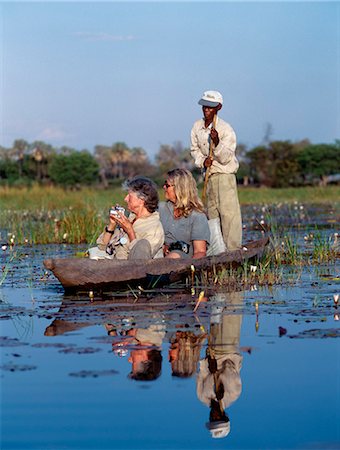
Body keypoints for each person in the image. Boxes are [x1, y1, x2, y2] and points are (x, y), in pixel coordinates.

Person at [190, 90, 242, 251]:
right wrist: (202, 161)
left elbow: (226, 158)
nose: (206, 109)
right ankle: (217, 250)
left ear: (218, 107)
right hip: (209, 175)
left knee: (228, 214)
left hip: (225, 175)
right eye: (205, 106)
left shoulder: (225, 129)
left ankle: (233, 250)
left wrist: (217, 142)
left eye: (211, 107)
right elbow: (194, 150)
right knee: (212, 214)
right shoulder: (197, 126)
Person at [196, 291, 244, 439]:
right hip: (228, 349)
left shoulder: (202, 396)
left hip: (211, 350)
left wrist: (208, 362)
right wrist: (216, 374)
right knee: (231, 312)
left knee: (216, 309)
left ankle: (220, 286)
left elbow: (202, 372)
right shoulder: (233, 394)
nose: (214, 416)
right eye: (218, 419)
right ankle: (236, 287)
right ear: (225, 416)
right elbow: (229, 367)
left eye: (213, 419)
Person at [88, 176, 164, 260]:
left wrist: (130, 231)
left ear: (141, 200)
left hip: (134, 270)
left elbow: (141, 260)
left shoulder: (154, 228)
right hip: (116, 267)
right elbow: (101, 247)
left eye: (129, 196)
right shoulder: (129, 219)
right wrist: (112, 225)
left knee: (143, 244)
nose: (125, 199)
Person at [159, 168, 210, 259]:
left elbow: (200, 252)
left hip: (183, 259)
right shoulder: (161, 208)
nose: (164, 187)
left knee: (174, 255)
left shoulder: (197, 216)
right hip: (160, 255)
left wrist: (191, 269)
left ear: (179, 188)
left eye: (167, 185)